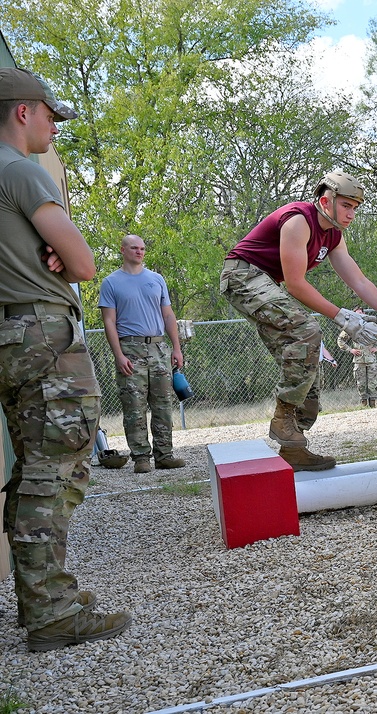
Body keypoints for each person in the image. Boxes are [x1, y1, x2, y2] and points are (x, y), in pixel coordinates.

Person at [0, 67, 131, 651]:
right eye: (51, 113)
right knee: (58, 463)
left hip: (7, 336)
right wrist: (59, 246)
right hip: (41, 334)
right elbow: (81, 264)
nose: (55, 125)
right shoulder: (21, 171)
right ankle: (50, 612)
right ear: (23, 111)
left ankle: (43, 593)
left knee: (31, 464)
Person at [220, 170, 377, 471]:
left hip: (266, 284)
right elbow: (295, 284)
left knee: (308, 362)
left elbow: (358, 281)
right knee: (307, 330)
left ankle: (293, 447)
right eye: (346, 205)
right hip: (242, 275)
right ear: (325, 201)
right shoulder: (298, 220)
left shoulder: (333, 235)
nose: (352, 213)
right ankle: (283, 418)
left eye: (355, 208)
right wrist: (344, 318)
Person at [98, 234, 186, 474]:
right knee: (134, 406)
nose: (140, 252)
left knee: (163, 405)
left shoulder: (156, 279)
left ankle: (165, 455)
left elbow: (168, 315)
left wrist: (176, 348)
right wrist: (118, 354)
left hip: (158, 348)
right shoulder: (111, 282)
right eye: (134, 248)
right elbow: (109, 321)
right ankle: (141, 458)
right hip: (130, 349)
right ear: (123, 250)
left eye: (143, 248)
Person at [337, 307, 377, 407]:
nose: (359, 315)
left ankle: (373, 404)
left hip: (371, 359)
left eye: (360, 313)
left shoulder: (372, 326)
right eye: (356, 314)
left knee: (372, 383)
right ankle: (363, 403)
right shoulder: (350, 328)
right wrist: (351, 350)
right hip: (359, 360)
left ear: (364, 314)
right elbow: (340, 340)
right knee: (361, 384)